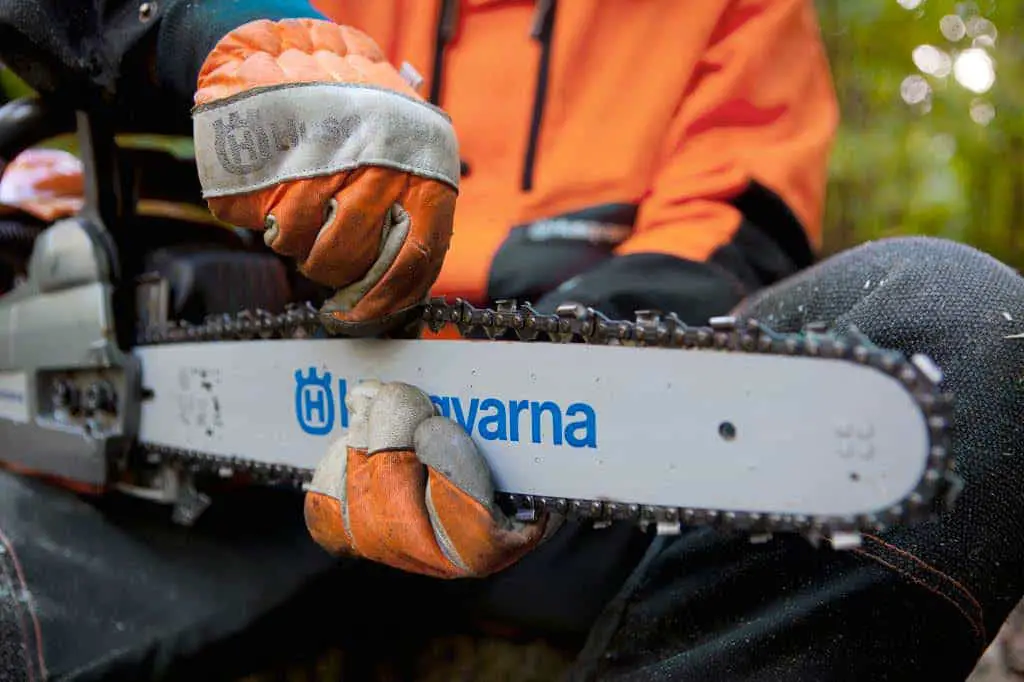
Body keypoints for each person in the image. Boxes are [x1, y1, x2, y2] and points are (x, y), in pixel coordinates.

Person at [0, 1, 1022, 680]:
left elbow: (721, 230)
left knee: (964, 330)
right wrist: (230, 35)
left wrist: (551, 357)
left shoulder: (726, 12)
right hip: (252, 440)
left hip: (580, 448)